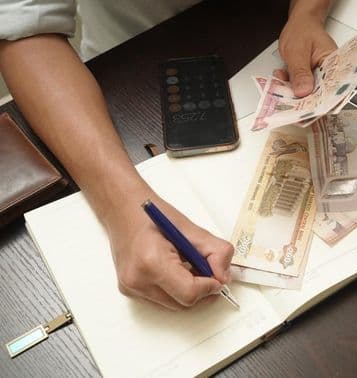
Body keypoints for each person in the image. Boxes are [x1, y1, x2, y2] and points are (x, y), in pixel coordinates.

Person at [0, 0, 337, 310]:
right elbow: (23, 27)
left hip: (284, 34)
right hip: (127, 69)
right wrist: (122, 207)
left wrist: (307, 13)